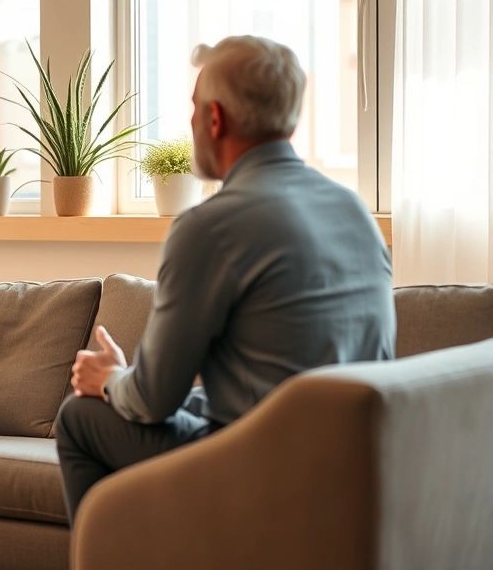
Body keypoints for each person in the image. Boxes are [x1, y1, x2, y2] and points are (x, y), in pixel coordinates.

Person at [55, 35, 396, 524]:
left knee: (80, 416)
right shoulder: (353, 210)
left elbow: (152, 402)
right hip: (352, 464)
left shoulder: (209, 227)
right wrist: (125, 381)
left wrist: (109, 380)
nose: (191, 121)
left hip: (263, 470)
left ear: (215, 119)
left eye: (194, 108)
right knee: (192, 399)